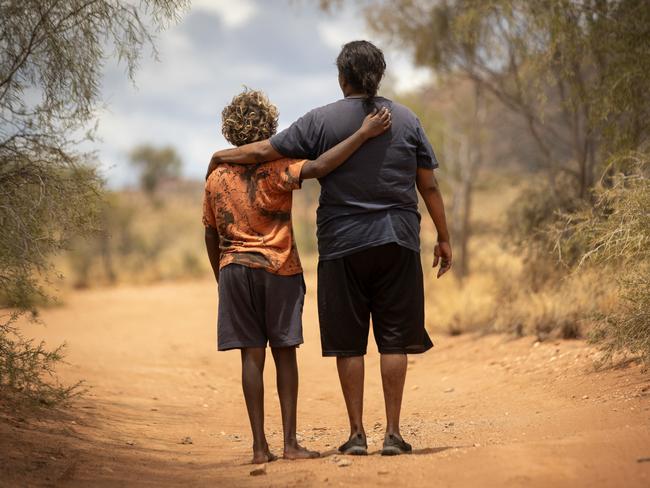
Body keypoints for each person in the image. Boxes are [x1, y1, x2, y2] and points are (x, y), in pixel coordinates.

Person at [206, 40, 452, 456]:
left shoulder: (319, 121)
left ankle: (356, 434)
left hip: (342, 245)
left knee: (349, 342)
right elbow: (427, 184)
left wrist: (220, 155)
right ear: (380, 75)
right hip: (397, 238)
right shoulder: (407, 119)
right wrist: (444, 236)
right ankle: (392, 433)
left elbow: (266, 151)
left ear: (342, 78)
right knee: (394, 340)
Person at [203, 88, 391, 464]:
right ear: (270, 125)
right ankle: (290, 444)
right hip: (279, 269)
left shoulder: (216, 176)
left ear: (229, 129)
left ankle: (259, 448)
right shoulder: (281, 165)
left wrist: (221, 275)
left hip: (235, 270)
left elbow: (211, 232)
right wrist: (363, 134)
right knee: (285, 355)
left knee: (250, 358)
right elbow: (320, 167)